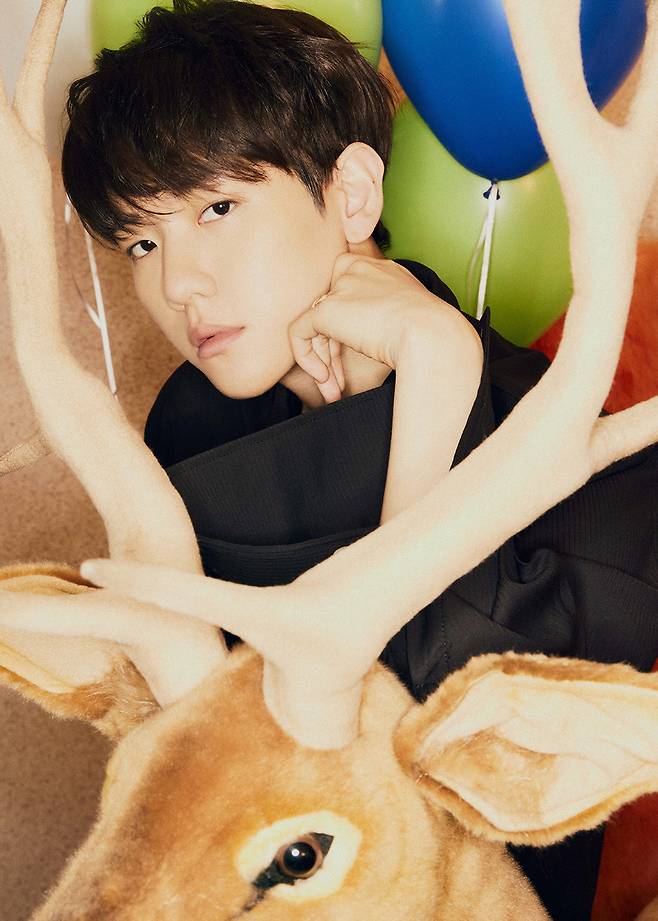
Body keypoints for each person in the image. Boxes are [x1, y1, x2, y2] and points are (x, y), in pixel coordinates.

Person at [61, 3, 658, 919]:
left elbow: (433, 767)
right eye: (143, 240)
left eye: (217, 208)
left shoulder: (558, 434)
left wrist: (438, 374)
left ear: (350, 194)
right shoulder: (188, 431)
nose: (176, 284)